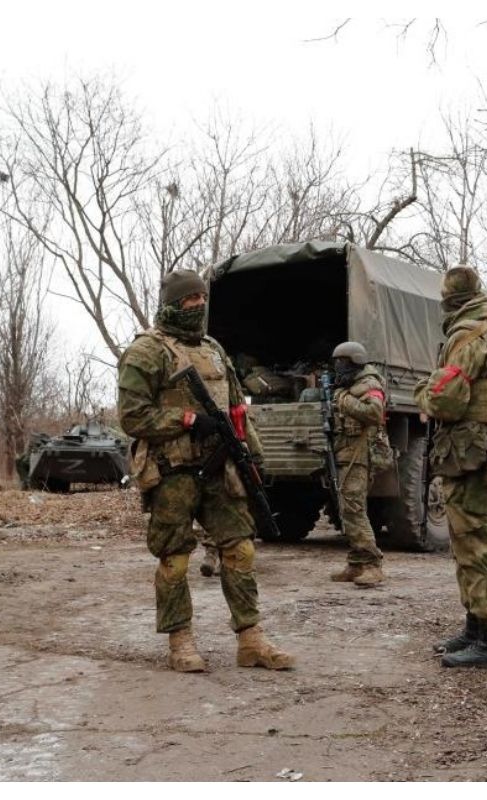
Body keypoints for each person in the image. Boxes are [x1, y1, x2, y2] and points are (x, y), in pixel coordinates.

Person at [117, 269, 294, 673]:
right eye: (188, 299)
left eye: (201, 297)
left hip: (221, 468)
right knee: (175, 557)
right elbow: (132, 417)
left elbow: (236, 409)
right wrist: (187, 421)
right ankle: (181, 642)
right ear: (171, 303)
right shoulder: (147, 351)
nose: (197, 304)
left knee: (241, 549)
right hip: (172, 470)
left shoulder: (214, 349)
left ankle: (251, 639)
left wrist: (255, 456)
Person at [415, 265, 487, 669]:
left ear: (449, 300)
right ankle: (476, 628)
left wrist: (424, 393)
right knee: (471, 541)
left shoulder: (468, 335)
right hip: (486, 448)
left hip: (472, 453)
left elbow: (446, 399)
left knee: (476, 544)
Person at [327, 341, 388, 588]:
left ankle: (372, 565)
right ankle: (356, 562)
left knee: (354, 507)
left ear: (354, 362)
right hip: (347, 451)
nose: (337, 368)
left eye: (341, 363)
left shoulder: (369, 384)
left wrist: (342, 400)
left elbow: (374, 413)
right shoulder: (350, 385)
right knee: (347, 507)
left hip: (361, 454)